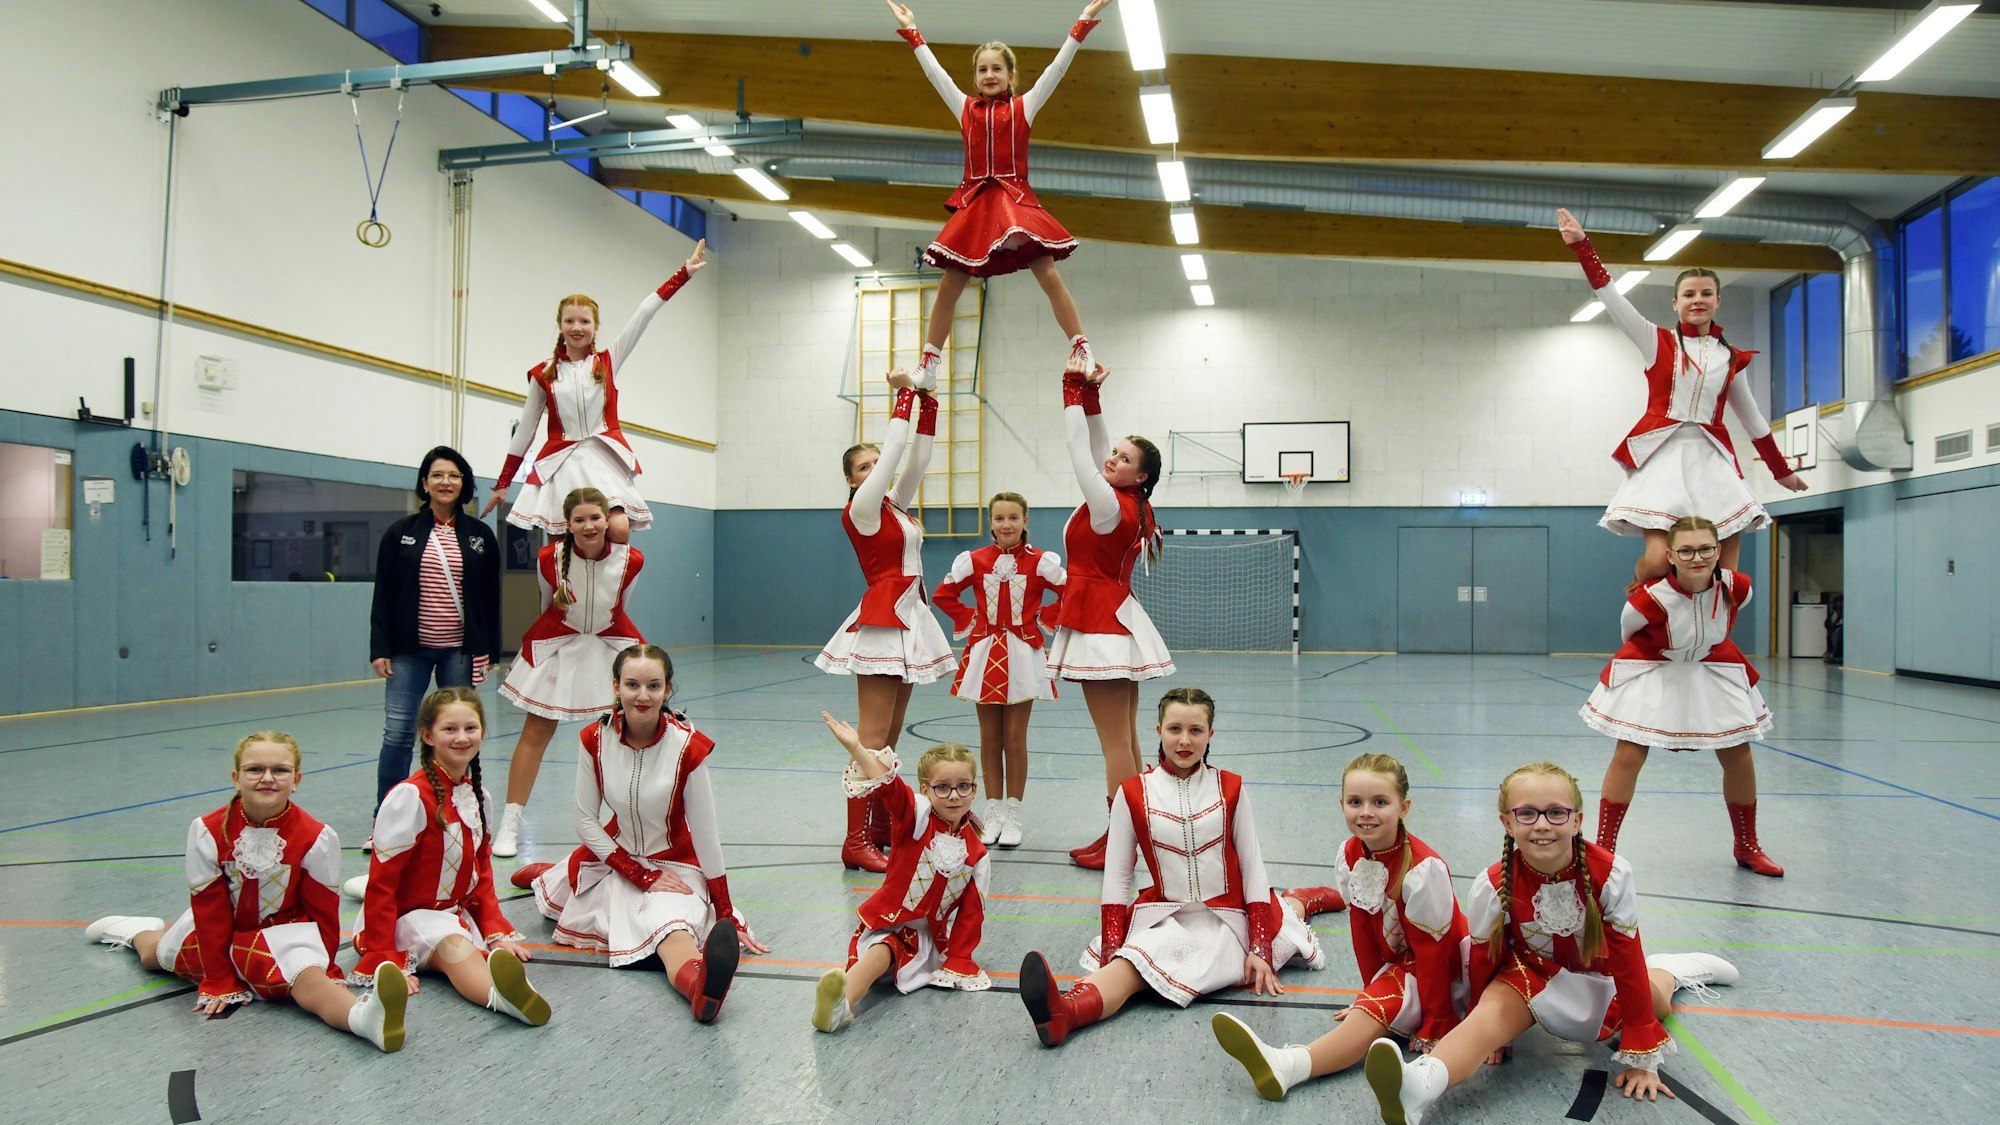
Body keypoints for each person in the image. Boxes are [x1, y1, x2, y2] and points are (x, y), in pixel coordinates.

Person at [1362, 762, 1741, 1125]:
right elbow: (1483, 958)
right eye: (1527, 813)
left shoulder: (1610, 873)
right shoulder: (1492, 884)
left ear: (1577, 820)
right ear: (1507, 822)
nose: (1542, 825)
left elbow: (1625, 959)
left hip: (1601, 982)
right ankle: (1418, 1087)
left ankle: (1675, 971)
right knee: (1488, 1015)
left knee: (1655, 998)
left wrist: (1643, 1058)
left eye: (1555, 813)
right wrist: (1490, 1029)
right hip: (1530, 974)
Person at [1017, 688, 1326, 1047]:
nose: (1184, 740)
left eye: (1196, 730)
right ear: (1158, 729)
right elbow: (1117, 877)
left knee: (1284, 923)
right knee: (1129, 961)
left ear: (1210, 734)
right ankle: (1063, 1014)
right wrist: (1111, 948)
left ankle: (1303, 899)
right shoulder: (1131, 793)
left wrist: (1259, 948)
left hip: (1230, 917)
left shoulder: (1232, 787)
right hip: (1166, 914)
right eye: (1175, 729)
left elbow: (1254, 869)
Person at [85, 732, 406, 1051]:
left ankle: (364, 1019)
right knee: (153, 957)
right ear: (236, 778)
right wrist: (219, 979)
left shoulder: (317, 836)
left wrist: (325, 963)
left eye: (280, 770)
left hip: (284, 932)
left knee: (308, 979)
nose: (267, 778)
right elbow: (209, 910)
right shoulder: (207, 830)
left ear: (296, 779)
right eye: (255, 770)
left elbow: (322, 909)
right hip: (220, 934)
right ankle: (133, 931)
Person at [509, 645, 770, 1022]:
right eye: (632, 684)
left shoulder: (688, 748)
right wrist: (639, 874)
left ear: (667, 690)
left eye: (653, 685)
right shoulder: (593, 739)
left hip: (676, 866)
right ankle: (548, 872)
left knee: (669, 929)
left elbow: (706, 836)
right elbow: (585, 821)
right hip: (617, 859)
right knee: (553, 888)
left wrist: (725, 910)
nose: (642, 695)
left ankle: (701, 989)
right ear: (616, 686)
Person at [1555, 207, 1806, 584]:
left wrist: (1781, 471)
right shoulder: (1655, 340)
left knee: (1726, 574)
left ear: (1718, 301)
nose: (1697, 300)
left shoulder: (1730, 358)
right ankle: (1642, 600)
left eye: (1707, 293)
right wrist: (1583, 248)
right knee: (1658, 561)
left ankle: (1713, 637)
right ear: (1675, 302)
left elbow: (1753, 421)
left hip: (1713, 462)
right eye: (1688, 294)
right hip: (1662, 458)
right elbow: (1611, 296)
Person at [885, 0, 1114, 391]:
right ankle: (929, 364)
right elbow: (934, 74)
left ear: (1011, 75)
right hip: (976, 205)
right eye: (982, 69)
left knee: (1047, 273)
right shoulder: (964, 108)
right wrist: (913, 32)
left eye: (997, 68)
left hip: (1014, 204)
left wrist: (1082, 24)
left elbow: (1056, 71)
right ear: (975, 77)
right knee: (950, 283)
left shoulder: (1025, 107)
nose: (989, 74)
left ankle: (1082, 348)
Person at [1213, 752, 1461, 1102]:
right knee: (1370, 1011)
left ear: (1404, 807)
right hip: (1403, 970)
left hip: (1446, 977)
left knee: (1371, 1013)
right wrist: (1369, 991)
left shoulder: (1423, 869)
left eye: (1380, 802)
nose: (1366, 812)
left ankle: (1287, 1064)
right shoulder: (1350, 854)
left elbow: (1436, 951)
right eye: (1355, 801)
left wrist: (1437, 1024)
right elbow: (1362, 932)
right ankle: (1288, 1064)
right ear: (1340, 803)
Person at [1582, 515, 1784, 876]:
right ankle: (1603, 848)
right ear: (1670, 555)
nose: (1697, 557)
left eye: (1706, 548)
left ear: (1718, 550)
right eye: (1686, 550)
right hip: (1655, 670)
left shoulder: (1737, 586)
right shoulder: (1647, 599)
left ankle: (1747, 845)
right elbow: (1630, 634)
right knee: (1629, 752)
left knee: (1739, 755)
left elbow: (1726, 622)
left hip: (1714, 670)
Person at [817, 370, 955, 872]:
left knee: (889, 736)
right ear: (853, 480)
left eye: (876, 463)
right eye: (864, 466)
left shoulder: (895, 508)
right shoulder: (863, 510)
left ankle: (878, 826)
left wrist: (930, 402)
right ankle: (855, 840)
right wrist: (903, 396)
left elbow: (915, 458)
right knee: (871, 738)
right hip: (881, 621)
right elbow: (898, 456)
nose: (875, 469)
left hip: (909, 618)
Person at [482, 241, 709, 543]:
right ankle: (556, 593)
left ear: (595, 326)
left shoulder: (607, 361)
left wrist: (683, 274)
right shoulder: (544, 374)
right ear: (560, 325)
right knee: (560, 542)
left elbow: (644, 314)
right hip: (560, 463)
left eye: (584, 321)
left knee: (618, 528)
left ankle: (610, 591)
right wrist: (503, 483)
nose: (577, 327)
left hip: (603, 460)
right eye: (570, 321)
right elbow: (525, 432)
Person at [353, 688, 551, 1028]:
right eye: (450, 729)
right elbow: (383, 885)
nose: (462, 737)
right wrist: (385, 959)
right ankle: (506, 998)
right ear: (427, 736)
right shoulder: (409, 797)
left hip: (453, 912)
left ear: (483, 733)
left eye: (470, 728)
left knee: (472, 944)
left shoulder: (479, 796)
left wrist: (493, 929)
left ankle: (513, 987)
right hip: (406, 918)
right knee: (456, 948)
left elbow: (482, 871)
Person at [1047, 356, 1173, 868]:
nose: (1112, 459)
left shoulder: (1108, 506)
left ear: (1138, 476)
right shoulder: (1129, 503)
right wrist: (1093, 398)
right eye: (1115, 453)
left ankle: (1122, 842)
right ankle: (1135, 836)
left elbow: (1081, 453)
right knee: (1126, 740)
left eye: (1123, 459)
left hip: (1102, 627)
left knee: (1115, 746)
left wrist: (1070, 388)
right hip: (1116, 621)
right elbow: (1098, 449)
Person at [811, 715, 991, 1033]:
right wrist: (857, 747)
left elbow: (971, 914)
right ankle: (838, 1004)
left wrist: (959, 960)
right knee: (882, 949)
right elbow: (891, 789)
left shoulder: (977, 854)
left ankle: (841, 1003)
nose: (954, 795)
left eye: (963, 787)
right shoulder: (918, 817)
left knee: (886, 951)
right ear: (926, 789)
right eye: (943, 787)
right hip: (885, 921)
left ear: (975, 790)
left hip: (925, 941)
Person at [492, 487, 645, 856]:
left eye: (596, 517)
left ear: (607, 520)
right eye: (580, 519)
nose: (589, 526)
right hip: (559, 644)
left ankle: (629, 825)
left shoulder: (632, 560)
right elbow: (547, 604)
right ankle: (509, 824)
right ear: (568, 525)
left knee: (622, 737)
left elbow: (620, 606)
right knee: (535, 733)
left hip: (610, 646)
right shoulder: (549, 558)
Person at [368, 445, 501, 811]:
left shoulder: (479, 536)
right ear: (425, 483)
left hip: (459, 652)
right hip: (407, 651)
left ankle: (457, 810)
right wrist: (379, 648)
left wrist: (489, 649)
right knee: (397, 734)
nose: (446, 482)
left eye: (454, 476)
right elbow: (384, 592)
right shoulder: (400, 534)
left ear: (464, 484)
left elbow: (492, 598)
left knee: (457, 735)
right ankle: (387, 814)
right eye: (438, 475)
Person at [932, 491, 1066, 848]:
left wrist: (1042, 619)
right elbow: (943, 595)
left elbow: (1071, 591)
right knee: (989, 737)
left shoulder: (1041, 562)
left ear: (1025, 521)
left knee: (1014, 737)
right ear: (990, 522)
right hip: (984, 653)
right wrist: (971, 619)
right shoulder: (974, 560)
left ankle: (1014, 814)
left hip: (1024, 656)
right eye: (999, 518)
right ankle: (992, 813)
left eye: (1013, 517)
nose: (1006, 524)